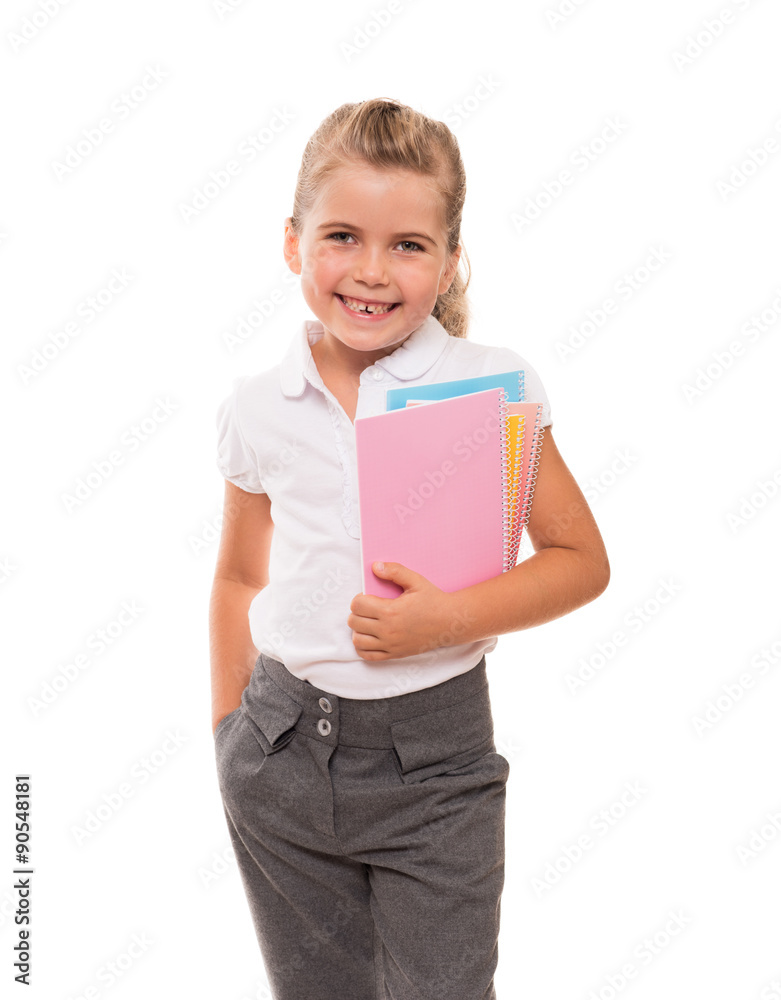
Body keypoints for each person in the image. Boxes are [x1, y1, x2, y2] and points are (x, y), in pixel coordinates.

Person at [210, 96, 609, 1000]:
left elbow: (580, 559)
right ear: (292, 244)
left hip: (436, 768)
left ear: (450, 259)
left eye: (408, 245)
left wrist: (448, 621)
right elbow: (237, 576)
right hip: (279, 754)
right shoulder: (257, 406)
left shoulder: (493, 386)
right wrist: (229, 731)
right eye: (341, 237)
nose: (371, 271)